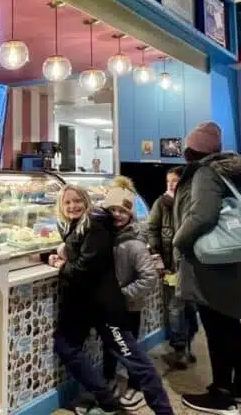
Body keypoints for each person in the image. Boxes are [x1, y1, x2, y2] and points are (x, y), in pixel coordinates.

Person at [50, 185, 174, 415]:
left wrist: (61, 266)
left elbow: (84, 269)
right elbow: (79, 254)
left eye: (77, 200)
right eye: (66, 202)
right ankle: (106, 400)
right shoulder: (80, 226)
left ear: (87, 202)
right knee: (66, 346)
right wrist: (60, 254)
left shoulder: (96, 225)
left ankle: (164, 411)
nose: (72, 206)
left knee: (134, 360)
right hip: (85, 305)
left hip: (104, 307)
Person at [172, 122, 241, 414]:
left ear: (191, 150)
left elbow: (202, 215)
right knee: (230, 325)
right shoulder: (231, 172)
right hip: (231, 256)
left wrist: (179, 240)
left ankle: (222, 394)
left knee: (217, 328)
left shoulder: (204, 172)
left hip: (211, 261)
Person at [101, 185, 159, 411]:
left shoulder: (134, 244)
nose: (116, 214)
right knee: (109, 346)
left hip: (128, 307)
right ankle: (109, 380)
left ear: (130, 215)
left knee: (128, 348)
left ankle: (137, 386)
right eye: (112, 210)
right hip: (108, 306)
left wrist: (123, 295)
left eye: (122, 211)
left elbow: (149, 278)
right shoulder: (105, 237)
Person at [146, 166, 199, 368]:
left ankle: (187, 344)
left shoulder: (193, 203)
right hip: (170, 264)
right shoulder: (161, 203)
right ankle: (179, 349)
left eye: (174, 181)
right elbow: (152, 229)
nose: (170, 184)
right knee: (175, 307)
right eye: (168, 181)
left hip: (191, 265)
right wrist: (157, 256)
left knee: (190, 307)